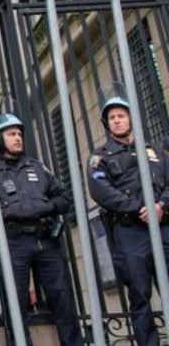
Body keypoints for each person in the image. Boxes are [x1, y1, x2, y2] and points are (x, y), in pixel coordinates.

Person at [0, 112, 83, 345]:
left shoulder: (38, 168)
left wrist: (45, 207)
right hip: (14, 242)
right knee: (14, 302)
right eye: (11, 134)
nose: (18, 138)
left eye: (19, 134)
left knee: (62, 297)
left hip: (45, 239)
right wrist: (3, 214)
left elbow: (63, 197)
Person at [87, 92, 169, 346]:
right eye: (112, 118)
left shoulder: (155, 151)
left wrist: (161, 206)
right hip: (130, 232)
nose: (117, 121)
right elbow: (102, 191)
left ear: (131, 118)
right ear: (107, 123)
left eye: (121, 116)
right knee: (140, 295)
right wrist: (138, 208)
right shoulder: (99, 158)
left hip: (163, 225)